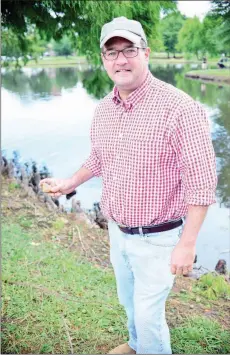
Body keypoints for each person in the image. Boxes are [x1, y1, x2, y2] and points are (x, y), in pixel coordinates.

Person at [40, 17, 217, 355]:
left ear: (145, 53)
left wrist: (187, 243)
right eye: (111, 53)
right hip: (118, 231)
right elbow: (99, 158)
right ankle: (136, 345)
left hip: (159, 237)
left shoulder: (180, 108)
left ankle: (148, 346)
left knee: (150, 314)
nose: (120, 60)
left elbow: (202, 181)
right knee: (128, 300)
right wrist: (68, 183)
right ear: (103, 60)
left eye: (129, 50)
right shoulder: (104, 109)